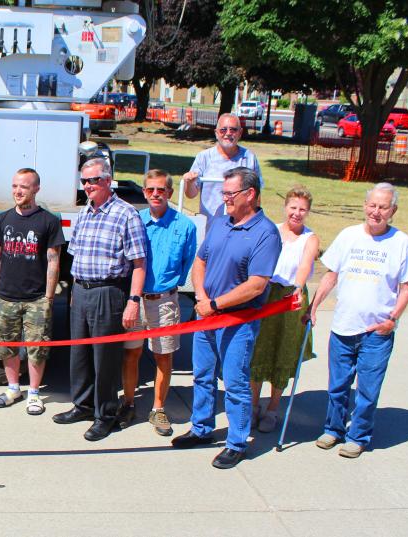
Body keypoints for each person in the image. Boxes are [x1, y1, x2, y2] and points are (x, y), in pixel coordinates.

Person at [171, 167, 281, 470]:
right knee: (202, 376)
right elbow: (201, 260)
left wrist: (216, 303)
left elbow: (257, 285)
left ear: (251, 195)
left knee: (235, 383)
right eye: (225, 193)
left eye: (231, 194)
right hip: (208, 315)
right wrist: (203, 299)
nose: (225, 199)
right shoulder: (220, 222)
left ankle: (236, 442)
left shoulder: (265, 234)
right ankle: (201, 428)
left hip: (237, 322)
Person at [308, 183, 408, 459]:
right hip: (343, 327)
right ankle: (333, 429)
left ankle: (358, 436)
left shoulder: (400, 242)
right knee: (338, 386)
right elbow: (331, 274)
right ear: (365, 205)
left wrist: (391, 320)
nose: (376, 212)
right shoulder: (349, 236)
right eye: (372, 205)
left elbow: (407, 287)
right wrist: (314, 305)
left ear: (393, 210)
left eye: (383, 207)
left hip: (376, 332)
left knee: (368, 390)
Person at [52, 158, 146, 442]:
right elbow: (76, 256)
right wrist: (72, 294)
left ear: (108, 181)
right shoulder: (84, 213)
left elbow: (140, 264)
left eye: (93, 180)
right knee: (79, 355)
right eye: (84, 181)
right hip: (80, 290)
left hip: (109, 291)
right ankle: (82, 405)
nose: (88, 186)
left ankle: (105, 414)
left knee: (104, 358)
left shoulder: (126, 214)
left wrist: (133, 301)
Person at [120, 170, 197, 436]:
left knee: (164, 357)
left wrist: (168, 286)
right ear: (143, 192)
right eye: (151, 189)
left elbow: (187, 262)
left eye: (161, 190)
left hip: (165, 301)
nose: (155, 194)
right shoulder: (135, 221)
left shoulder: (185, 226)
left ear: (170, 193)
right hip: (136, 300)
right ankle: (128, 403)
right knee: (132, 353)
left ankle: (158, 408)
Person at [0, 168, 64, 415]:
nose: (18, 191)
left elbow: (53, 260)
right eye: (15, 186)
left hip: (37, 298)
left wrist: (49, 297)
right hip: (5, 296)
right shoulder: (1, 220)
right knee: (7, 346)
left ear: (36, 189)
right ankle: (12, 388)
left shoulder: (49, 221)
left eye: (24, 187)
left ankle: (33, 393)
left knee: (37, 347)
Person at [250, 186, 320, 433]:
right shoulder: (272, 231)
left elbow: (304, 265)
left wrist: (298, 287)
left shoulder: (309, 238)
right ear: (285, 207)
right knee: (259, 348)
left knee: (283, 351)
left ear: (308, 212)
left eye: (302, 209)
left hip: (291, 297)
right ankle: (254, 405)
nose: (297, 213)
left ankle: (272, 409)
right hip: (267, 294)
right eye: (293, 207)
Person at [182, 114, 262, 218]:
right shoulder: (204, 157)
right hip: (210, 225)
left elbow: (256, 196)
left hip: (240, 225)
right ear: (216, 133)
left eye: (233, 129)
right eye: (223, 130)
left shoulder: (249, 157)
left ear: (240, 133)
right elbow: (191, 195)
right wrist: (189, 183)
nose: (228, 133)